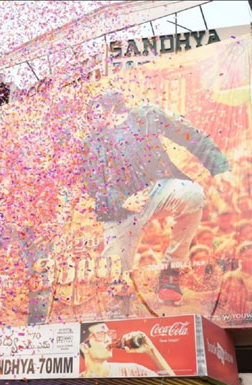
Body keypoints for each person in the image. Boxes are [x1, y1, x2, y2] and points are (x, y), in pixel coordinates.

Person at [82, 90, 230, 306]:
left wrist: (219, 167)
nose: (93, 119)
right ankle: (121, 306)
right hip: (121, 209)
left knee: (192, 193)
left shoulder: (146, 116)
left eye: (97, 112)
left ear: (111, 108)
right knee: (116, 281)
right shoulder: (91, 142)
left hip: (159, 189)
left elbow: (191, 136)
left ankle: (170, 271)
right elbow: (93, 185)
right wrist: (122, 201)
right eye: (90, 115)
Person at [79, 322, 175, 378]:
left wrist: (151, 350)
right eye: (100, 335)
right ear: (84, 347)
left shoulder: (133, 371)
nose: (108, 339)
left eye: (109, 334)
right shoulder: (76, 381)